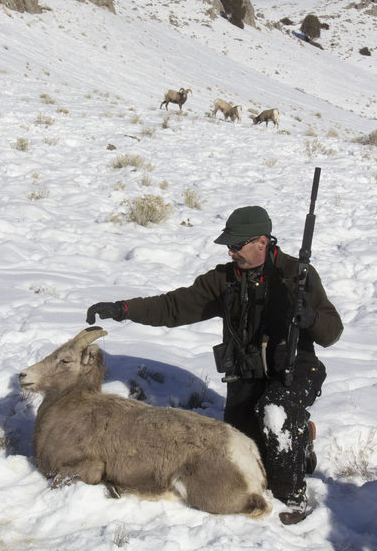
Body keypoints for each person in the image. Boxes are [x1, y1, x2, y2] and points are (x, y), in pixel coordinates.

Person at [86, 206, 343, 525]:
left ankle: (291, 498)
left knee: (275, 415)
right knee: (239, 452)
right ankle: (300, 439)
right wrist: (124, 309)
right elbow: (173, 306)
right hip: (247, 375)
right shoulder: (225, 280)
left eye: (237, 245)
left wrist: (312, 318)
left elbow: (333, 332)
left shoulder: (297, 275)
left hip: (296, 371)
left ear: (261, 242)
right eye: (229, 246)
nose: (231, 251)